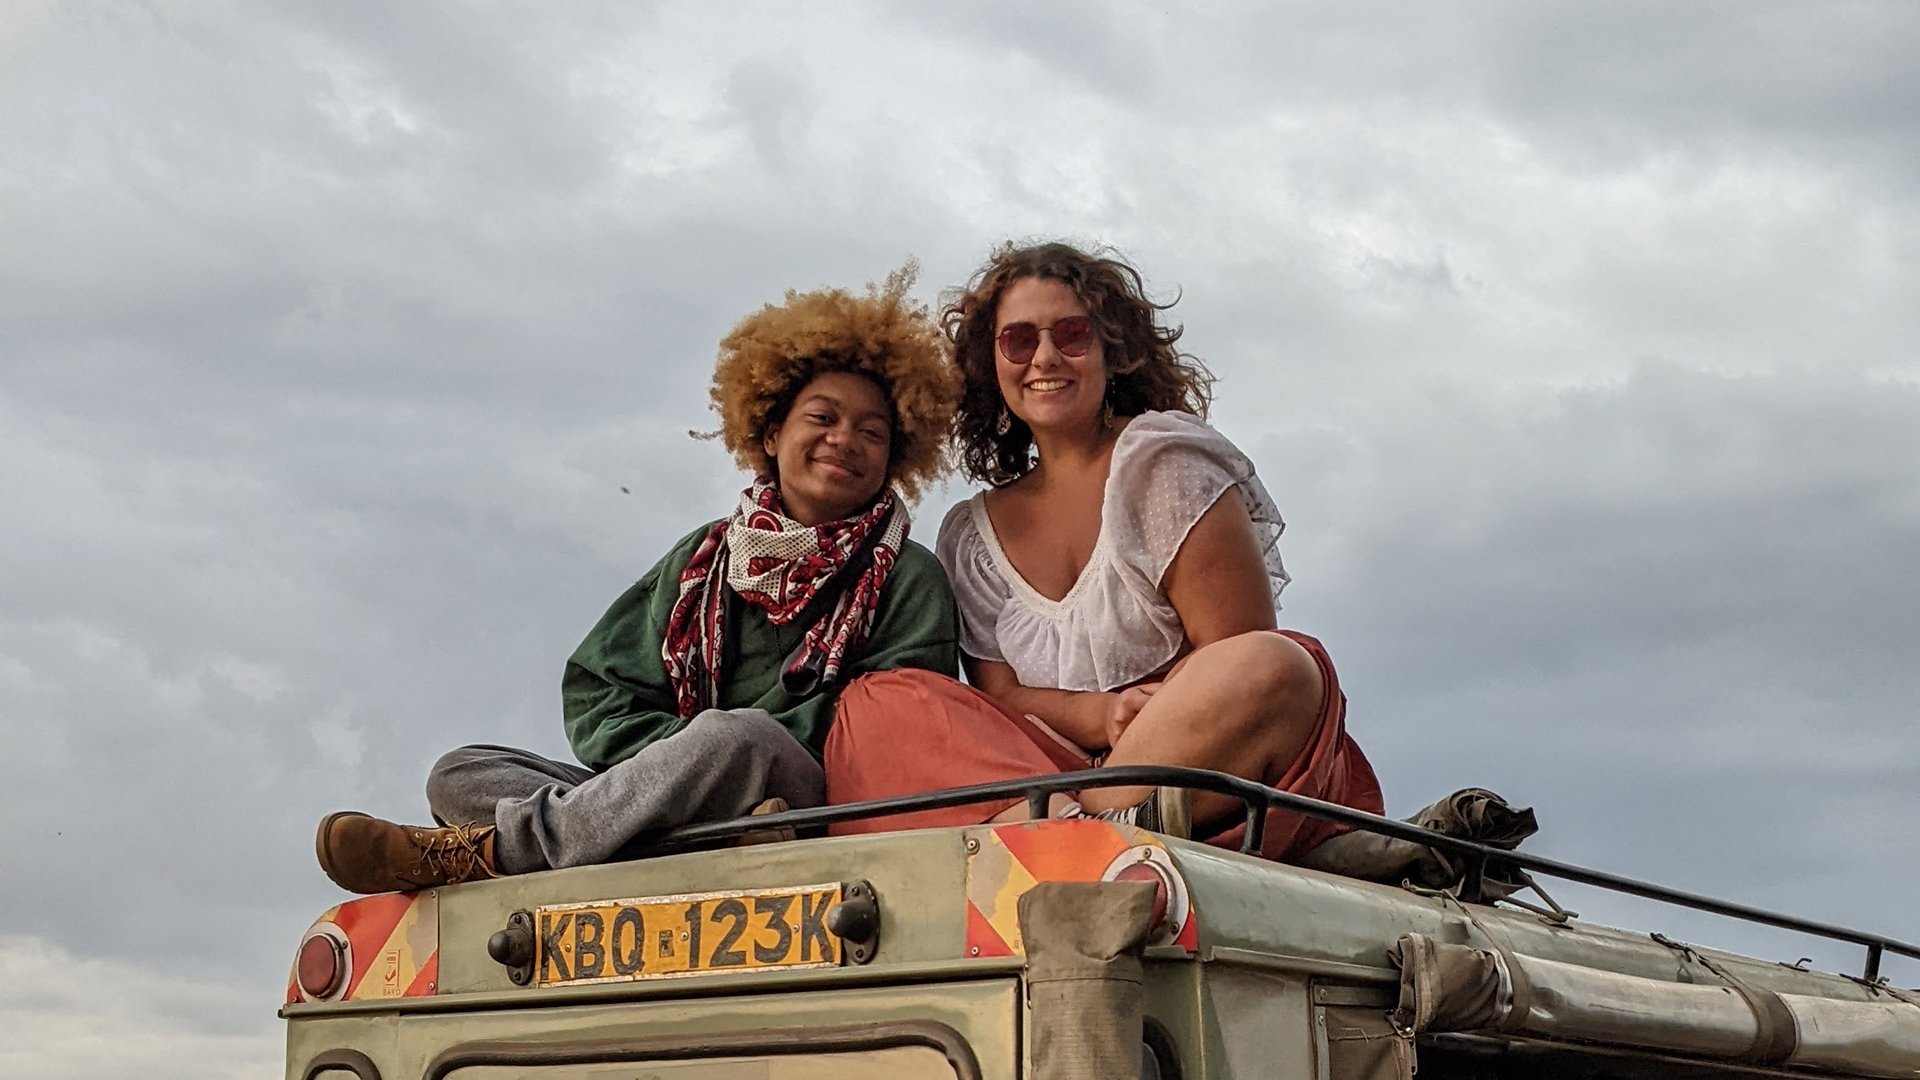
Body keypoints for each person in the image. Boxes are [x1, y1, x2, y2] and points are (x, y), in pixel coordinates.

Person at [315, 270, 961, 893]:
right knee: (459, 773)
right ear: (770, 433)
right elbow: (597, 694)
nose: (844, 439)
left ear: (893, 459)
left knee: (741, 738)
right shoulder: (704, 559)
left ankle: (498, 852)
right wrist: (676, 766)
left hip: (816, 805)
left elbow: (895, 734)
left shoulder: (908, 576)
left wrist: (705, 757)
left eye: (871, 432)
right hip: (673, 795)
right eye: (823, 418)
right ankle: (691, 842)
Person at [824, 242, 1383, 862]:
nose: (1045, 357)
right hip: (1042, 780)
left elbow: (1231, 655)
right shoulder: (969, 535)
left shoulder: (1163, 465)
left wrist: (1140, 727)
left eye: (1071, 334)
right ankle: (1079, 833)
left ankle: (1095, 832)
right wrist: (1102, 714)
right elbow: (1001, 698)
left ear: (1112, 351)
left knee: (1276, 664)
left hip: (1184, 771)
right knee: (874, 703)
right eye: (1018, 341)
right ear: (991, 364)